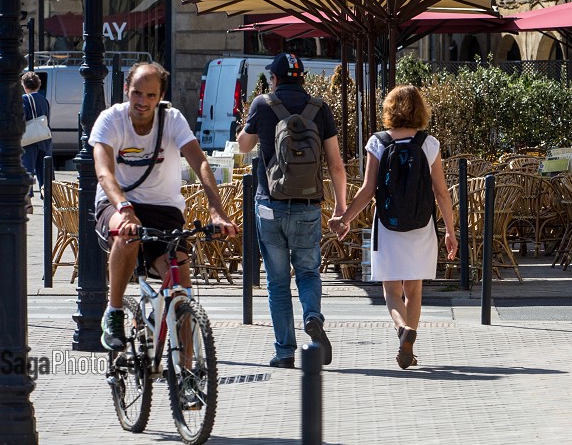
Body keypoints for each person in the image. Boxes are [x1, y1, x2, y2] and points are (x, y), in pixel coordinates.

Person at [93, 61, 237, 352]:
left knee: (180, 284)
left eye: (150, 95)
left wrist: (216, 210)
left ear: (160, 97)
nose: (142, 102)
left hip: (164, 208)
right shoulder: (111, 120)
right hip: (117, 202)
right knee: (127, 233)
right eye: (136, 93)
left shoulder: (172, 119)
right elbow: (104, 172)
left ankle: (185, 378)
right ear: (126, 91)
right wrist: (124, 208)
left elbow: (200, 162)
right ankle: (115, 310)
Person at [330, 85, 457, 370]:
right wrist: (449, 230)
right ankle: (409, 348)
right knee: (414, 290)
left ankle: (402, 331)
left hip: (387, 225)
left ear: (389, 109)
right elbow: (442, 193)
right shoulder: (429, 144)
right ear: (420, 110)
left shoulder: (378, 142)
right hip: (421, 225)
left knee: (390, 291)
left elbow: (367, 190)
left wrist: (345, 219)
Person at [237, 53, 347, 369]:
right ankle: (312, 316)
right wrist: (340, 207)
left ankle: (285, 352)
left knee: (277, 281)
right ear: (302, 78)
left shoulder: (262, 104)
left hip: (269, 205)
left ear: (274, 78)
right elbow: (336, 165)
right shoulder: (320, 109)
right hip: (308, 207)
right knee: (309, 271)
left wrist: (247, 122)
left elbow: (244, 146)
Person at [20, 71, 52, 200]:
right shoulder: (44, 100)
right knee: (44, 171)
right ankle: (47, 196)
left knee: (27, 169)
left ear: (24, 85)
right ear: (38, 85)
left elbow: (22, 118)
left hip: (29, 140)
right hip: (44, 138)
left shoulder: (24, 99)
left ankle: (27, 201)